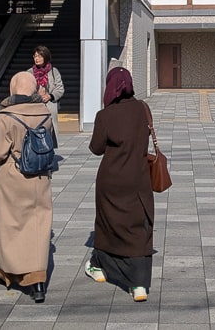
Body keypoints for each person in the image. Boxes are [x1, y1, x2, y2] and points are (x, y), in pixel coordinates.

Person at [0, 72, 53, 303]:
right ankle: (38, 279)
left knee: (9, 225)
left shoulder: (6, 116)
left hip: (13, 176)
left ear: (13, 88)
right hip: (40, 177)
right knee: (39, 224)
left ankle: (5, 271)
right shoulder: (45, 113)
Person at [85, 66, 154, 302]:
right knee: (137, 225)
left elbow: (96, 148)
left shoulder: (105, 115)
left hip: (111, 179)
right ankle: (139, 284)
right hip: (139, 178)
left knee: (107, 223)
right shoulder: (142, 109)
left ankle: (101, 266)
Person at [29, 45, 64, 142]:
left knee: (50, 130)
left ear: (46, 57)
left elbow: (60, 88)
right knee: (35, 129)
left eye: (40, 56)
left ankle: (50, 149)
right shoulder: (29, 73)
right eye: (35, 56)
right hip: (35, 106)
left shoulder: (54, 71)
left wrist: (50, 96)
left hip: (50, 105)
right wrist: (37, 95)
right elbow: (26, 90)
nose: (37, 59)